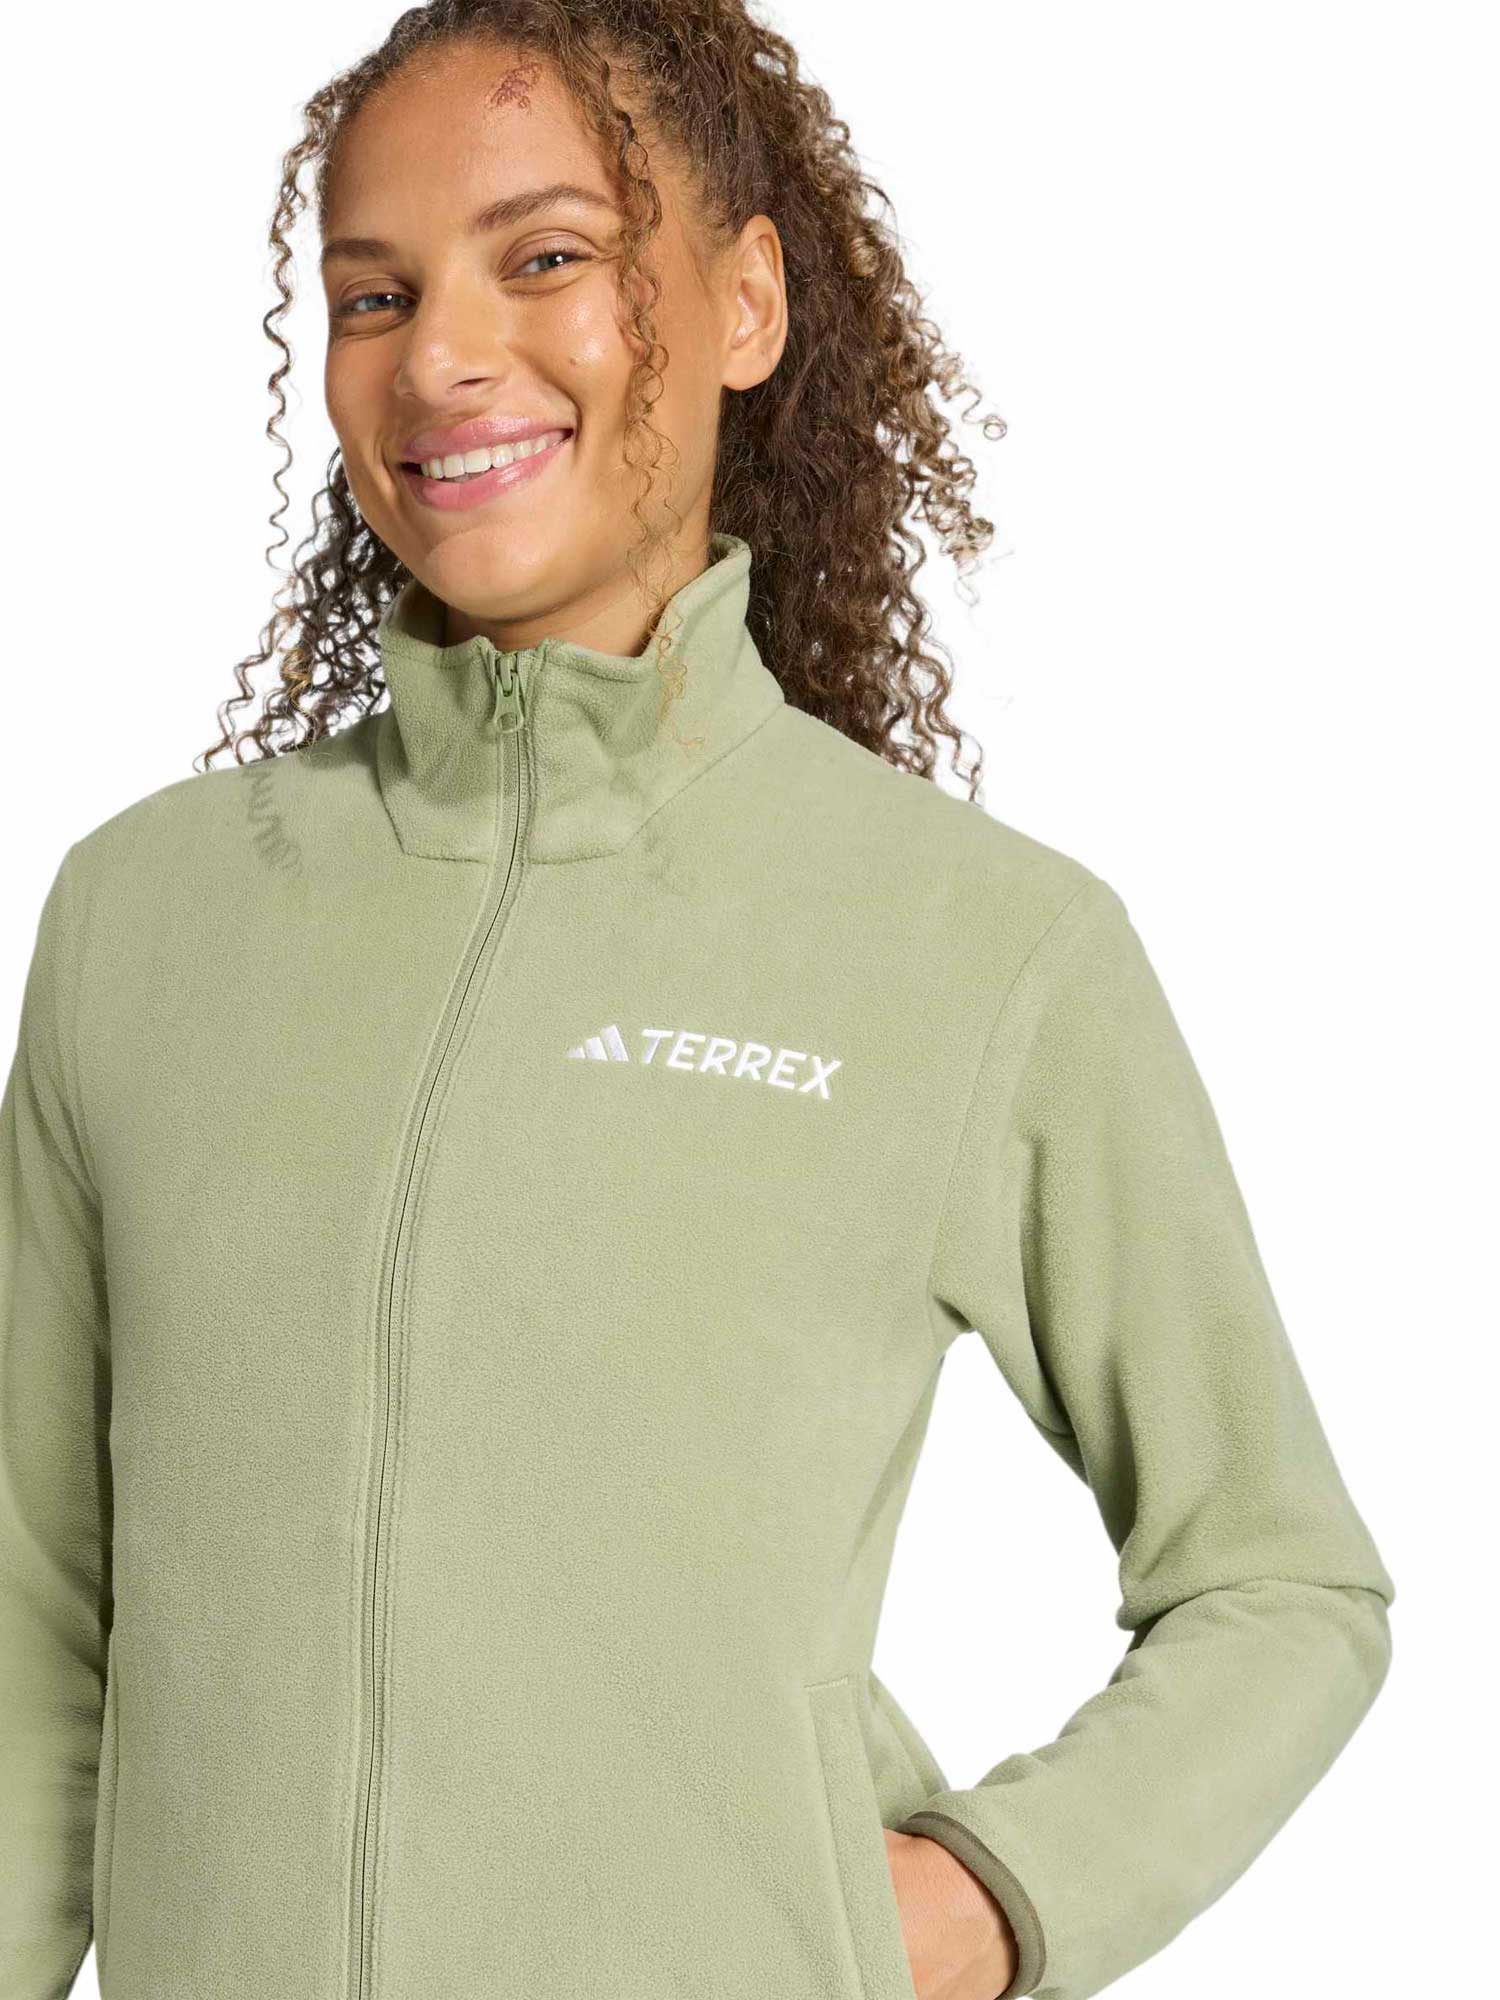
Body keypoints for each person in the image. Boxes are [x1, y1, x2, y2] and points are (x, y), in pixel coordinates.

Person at [0, 4, 1395, 1998]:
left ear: (744, 302)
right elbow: (35, 1615)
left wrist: (977, 1906)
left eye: (546, 256)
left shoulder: (973, 945)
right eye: (375, 293)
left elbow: (1282, 1582)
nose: (441, 354)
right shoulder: (145, 918)